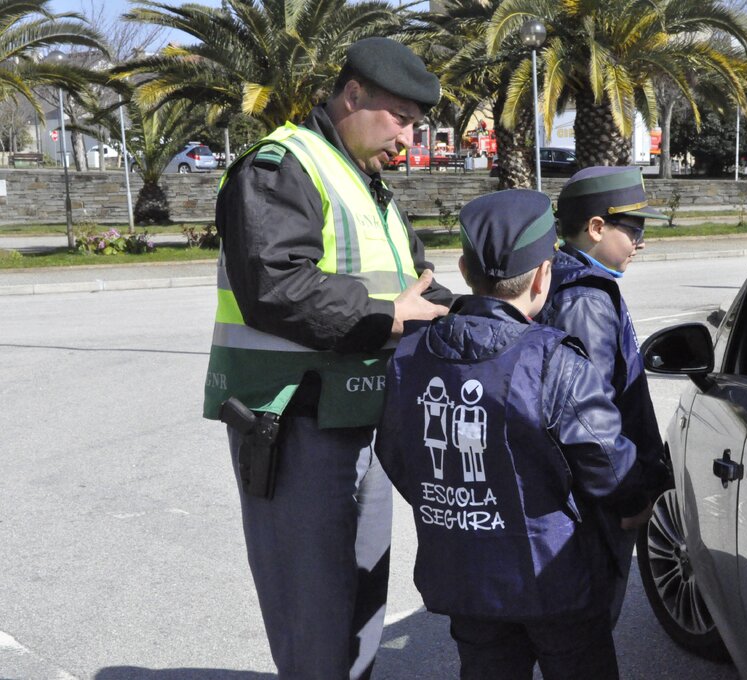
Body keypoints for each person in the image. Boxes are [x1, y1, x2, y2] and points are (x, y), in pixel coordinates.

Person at [202, 37, 453, 679]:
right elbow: (275, 285)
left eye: (417, 125)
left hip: (357, 416)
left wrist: (491, 315)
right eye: (401, 119)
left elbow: (415, 283)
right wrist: (385, 316)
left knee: (361, 600)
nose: (408, 139)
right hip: (294, 425)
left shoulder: (365, 183)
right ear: (354, 95)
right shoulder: (282, 165)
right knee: (313, 607)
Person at [375, 189, 654, 680]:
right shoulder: (552, 358)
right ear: (545, 276)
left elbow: (399, 453)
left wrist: (460, 503)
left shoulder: (413, 354)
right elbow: (607, 462)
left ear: (463, 269)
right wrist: (637, 500)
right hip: (555, 580)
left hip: (464, 574)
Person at [535, 166, 671, 623]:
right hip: (600, 501)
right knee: (588, 630)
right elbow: (590, 418)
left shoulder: (580, 284)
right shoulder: (585, 300)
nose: (641, 242)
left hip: (599, 492)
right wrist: (627, 496)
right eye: (633, 229)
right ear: (596, 228)